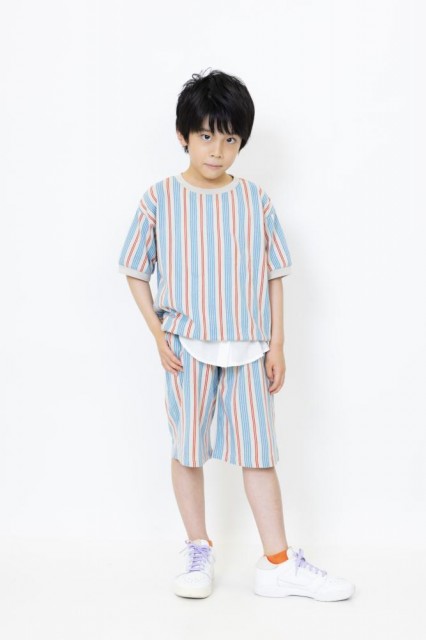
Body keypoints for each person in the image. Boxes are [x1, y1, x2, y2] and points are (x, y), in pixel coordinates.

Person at [118, 68, 355, 601]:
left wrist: (277, 343)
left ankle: (278, 563)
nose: (218, 150)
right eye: (206, 136)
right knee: (188, 450)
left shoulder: (255, 200)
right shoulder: (159, 199)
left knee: (259, 454)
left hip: (249, 349)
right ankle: (198, 548)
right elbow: (135, 269)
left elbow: (274, 274)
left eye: (230, 139)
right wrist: (158, 333)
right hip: (187, 348)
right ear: (183, 135)